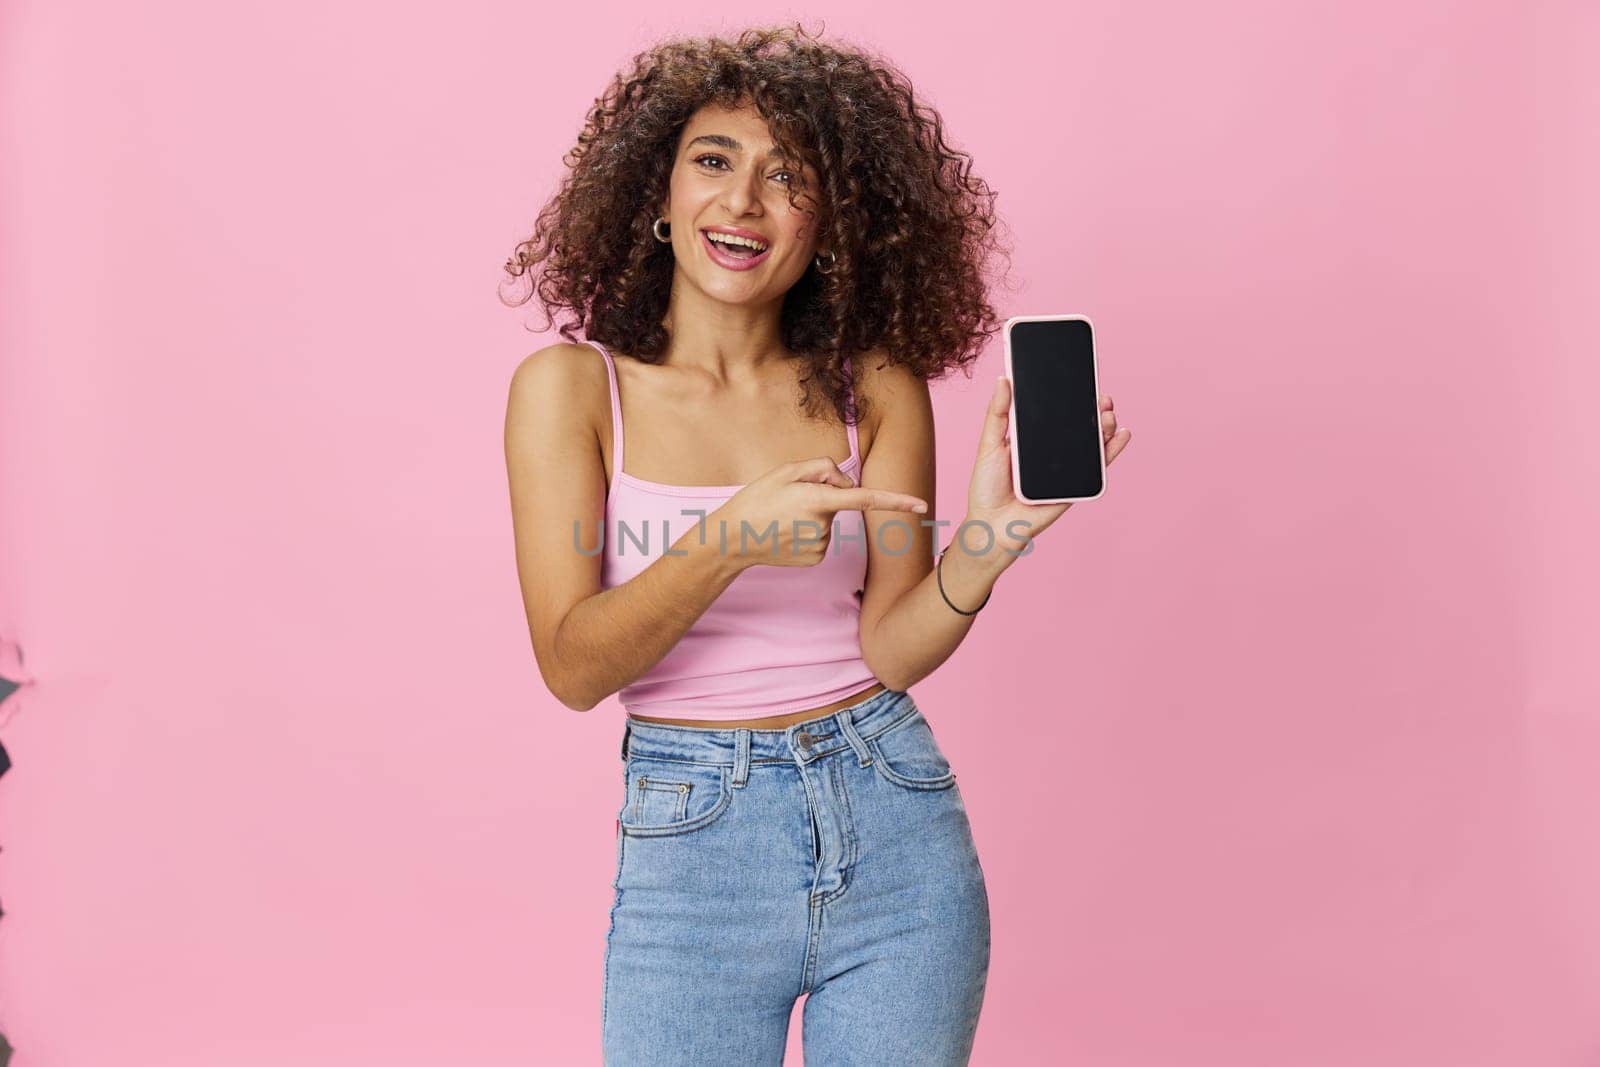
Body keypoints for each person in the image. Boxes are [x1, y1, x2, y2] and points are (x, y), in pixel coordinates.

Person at [501, 24, 1131, 1066]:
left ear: (829, 224)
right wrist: (729, 540)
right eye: (713, 161)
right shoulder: (572, 391)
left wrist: (982, 547)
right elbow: (572, 665)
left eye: (786, 176)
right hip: (693, 847)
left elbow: (888, 645)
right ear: (655, 197)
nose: (742, 202)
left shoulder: (871, 383)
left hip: (895, 822)